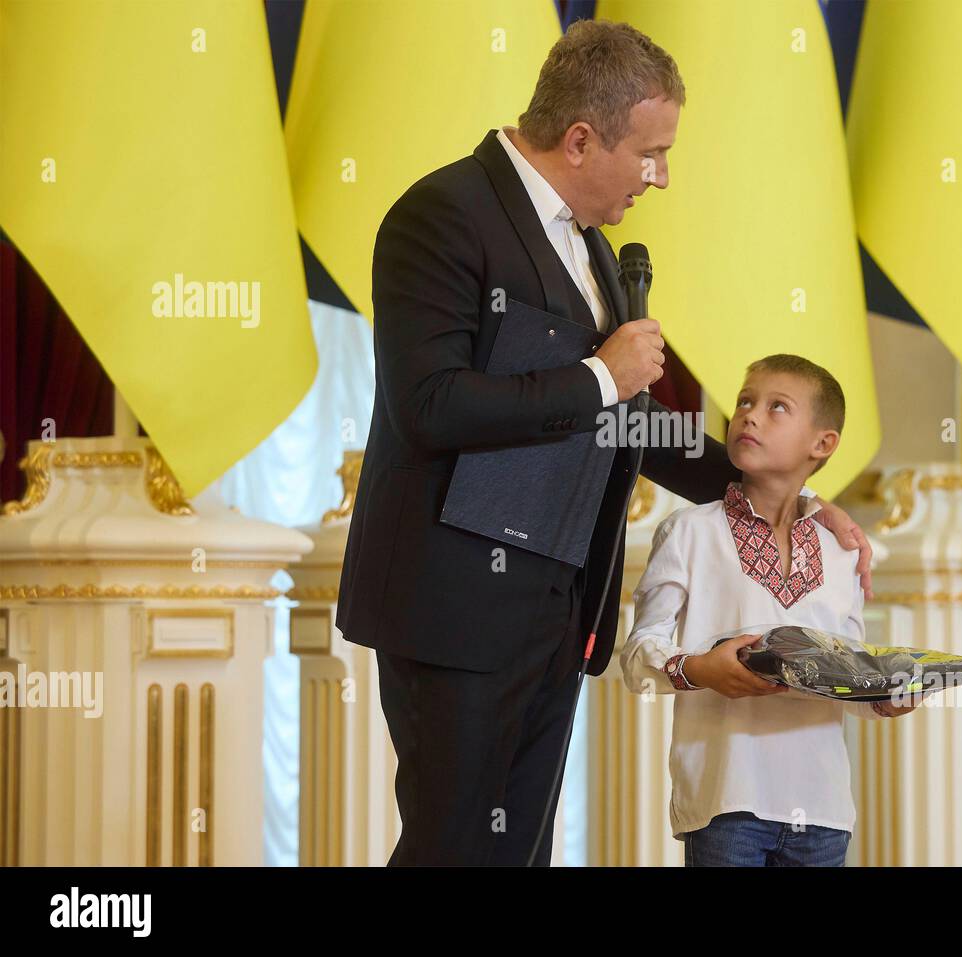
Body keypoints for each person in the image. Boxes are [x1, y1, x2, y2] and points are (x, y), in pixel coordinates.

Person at [336, 20, 876, 866]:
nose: (661, 177)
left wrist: (787, 495)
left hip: (554, 611)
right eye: (652, 153)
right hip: (453, 609)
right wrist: (599, 374)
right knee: (454, 848)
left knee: (521, 850)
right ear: (581, 139)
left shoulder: (589, 245)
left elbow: (630, 425)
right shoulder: (440, 214)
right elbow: (429, 405)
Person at [621, 355, 918, 867]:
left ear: (822, 444)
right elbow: (636, 659)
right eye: (744, 401)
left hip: (824, 811)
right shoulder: (689, 533)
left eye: (776, 407)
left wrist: (887, 697)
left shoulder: (842, 550)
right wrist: (700, 670)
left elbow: (846, 672)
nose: (749, 416)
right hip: (725, 804)